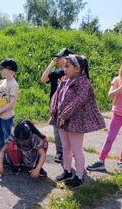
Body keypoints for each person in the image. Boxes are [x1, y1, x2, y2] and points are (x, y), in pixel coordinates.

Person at [49, 55, 105, 187]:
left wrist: (64, 115)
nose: (64, 68)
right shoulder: (65, 80)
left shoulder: (84, 83)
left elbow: (78, 102)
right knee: (65, 147)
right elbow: (57, 97)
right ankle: (67, 171)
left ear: (77, 68)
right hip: (61, 119)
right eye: (64, 66)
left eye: (67, 66)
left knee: (76, 149)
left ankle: (79, 177)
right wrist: (54, 111)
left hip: (75, 121)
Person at [40, 48, 73, 163]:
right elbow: (43, 79)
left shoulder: (74, 74)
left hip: (69, 107)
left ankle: (69, 151)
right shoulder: (57, 74)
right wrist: (51, 65)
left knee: (69, 130)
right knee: (57, 131)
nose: (57, 60)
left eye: (59, 57)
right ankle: (60, 152)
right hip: (56, 108)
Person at [0, 58, 19, 158]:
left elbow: (11, 104)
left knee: (7, 137)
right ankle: (2, 150)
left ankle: (8, 156)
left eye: (2, 68)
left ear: (10, 70)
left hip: (6, 117)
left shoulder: (13, 85)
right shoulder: (2, 82)